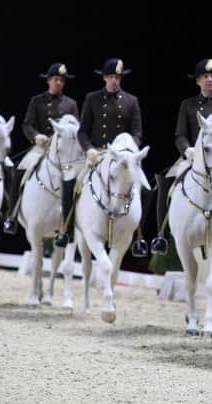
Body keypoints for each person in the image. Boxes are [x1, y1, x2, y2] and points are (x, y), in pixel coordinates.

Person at [150, 58, 212, 256]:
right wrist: (187, 150)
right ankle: (161, 235)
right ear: (197, 81)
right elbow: (180, 135)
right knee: (166, 180)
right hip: (195, 157)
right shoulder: (188, 105)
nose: (210, 80)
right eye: (205, 77)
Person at [55, 58, 148, 257]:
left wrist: (129, 151)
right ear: (104, 78)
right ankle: (67, 229)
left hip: (122, 157)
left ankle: (140, 236)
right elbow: (82, 132)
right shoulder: (92, 99)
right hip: (97, 154)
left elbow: (137, 133)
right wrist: (88, 149)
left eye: (117, 77)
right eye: (111, 77)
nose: (114, 81)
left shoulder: (131, 101)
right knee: (71, 181)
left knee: (144, 187)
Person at [2, 62, 79, 234]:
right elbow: (27, 124)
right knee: (20, 168)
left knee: (74, 178)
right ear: (49, 80)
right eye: (56, 79)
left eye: (62, 81)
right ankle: (11, 216)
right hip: (41, 148)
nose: (59, 83)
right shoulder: (37, 101)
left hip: (62, 151)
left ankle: (70, 222)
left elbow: (76, 128)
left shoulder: (71, 104)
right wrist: (36, 136)